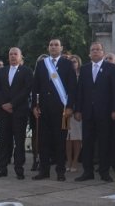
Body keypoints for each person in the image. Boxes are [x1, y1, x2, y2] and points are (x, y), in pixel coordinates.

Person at [74, 42, 115, 182]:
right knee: (87, 143)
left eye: (98, 49)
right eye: (92, 50)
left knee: (104, 143)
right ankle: (88, 172)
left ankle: (104, 172)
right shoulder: (85, 69)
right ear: (89, 53)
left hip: (105, 113)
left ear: (103, 53)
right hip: (87, 113)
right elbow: (80, 91)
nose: (95, 52)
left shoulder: (111, 68)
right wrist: (78, 110)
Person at [32, 39, 76, 182]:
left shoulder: (68, 64)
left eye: (56, 45)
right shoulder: (41, 64)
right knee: (44, 141)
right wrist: (34, 106)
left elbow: (72, 87)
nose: (53, 47)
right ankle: (44, 171)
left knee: (59, 141)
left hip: (61, 109)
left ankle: (60, 171)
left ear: (61, 48)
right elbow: (35, 87)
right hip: (44, 108)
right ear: (48, 47)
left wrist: (70, 106)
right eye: (51, 45)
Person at [0, 47, 33, 180]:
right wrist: (3, 104)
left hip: (18, 111)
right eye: (10, 54)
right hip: (4, 112)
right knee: (4, 141)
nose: (13, 56)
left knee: (19, 142)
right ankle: (2, 168)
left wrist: (12, 104)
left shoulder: (26, 71)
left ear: (21, 56)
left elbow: (26, 90)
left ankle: (19, 169)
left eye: (15, 54)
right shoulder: (2, 71)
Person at [66, 55, 82, 173]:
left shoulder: (82, 76)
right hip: (65, 111)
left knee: (76, 138)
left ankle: (75, 160)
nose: (72, 63)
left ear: (78, 63)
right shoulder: (63, 75)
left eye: (74, 61)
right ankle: (69, 160)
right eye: (70, 62)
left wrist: (78, 110)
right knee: (67, 138)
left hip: (77, 111)